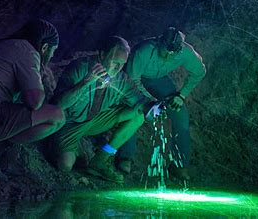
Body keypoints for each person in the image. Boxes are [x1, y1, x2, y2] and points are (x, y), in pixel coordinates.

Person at [50, 36, 156, 184]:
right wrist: (87, 81)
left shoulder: (120, 78)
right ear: (102, 55)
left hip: (94, 121)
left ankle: (100, 160)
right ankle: (75, 147)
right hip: (69, 124)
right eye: (114, 62)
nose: (118, 68)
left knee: (137, 115)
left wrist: (154, 107)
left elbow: (140, 102)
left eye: (122, 64)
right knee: (65, 165)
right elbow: (58, 105)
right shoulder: (80, 68)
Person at [121, 27, 206, 181]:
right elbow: (132, 81)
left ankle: (179, 165)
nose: (168, 55)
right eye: (165, 51)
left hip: (159, 80)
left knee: (180, 116)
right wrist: (150, 102)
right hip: (133, 80)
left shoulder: (186, 52)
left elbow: (200, 71)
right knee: (134, 110)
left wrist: (181, 95)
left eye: (173, 53)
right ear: (159, 42)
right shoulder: (143, 51)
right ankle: (124, 157)